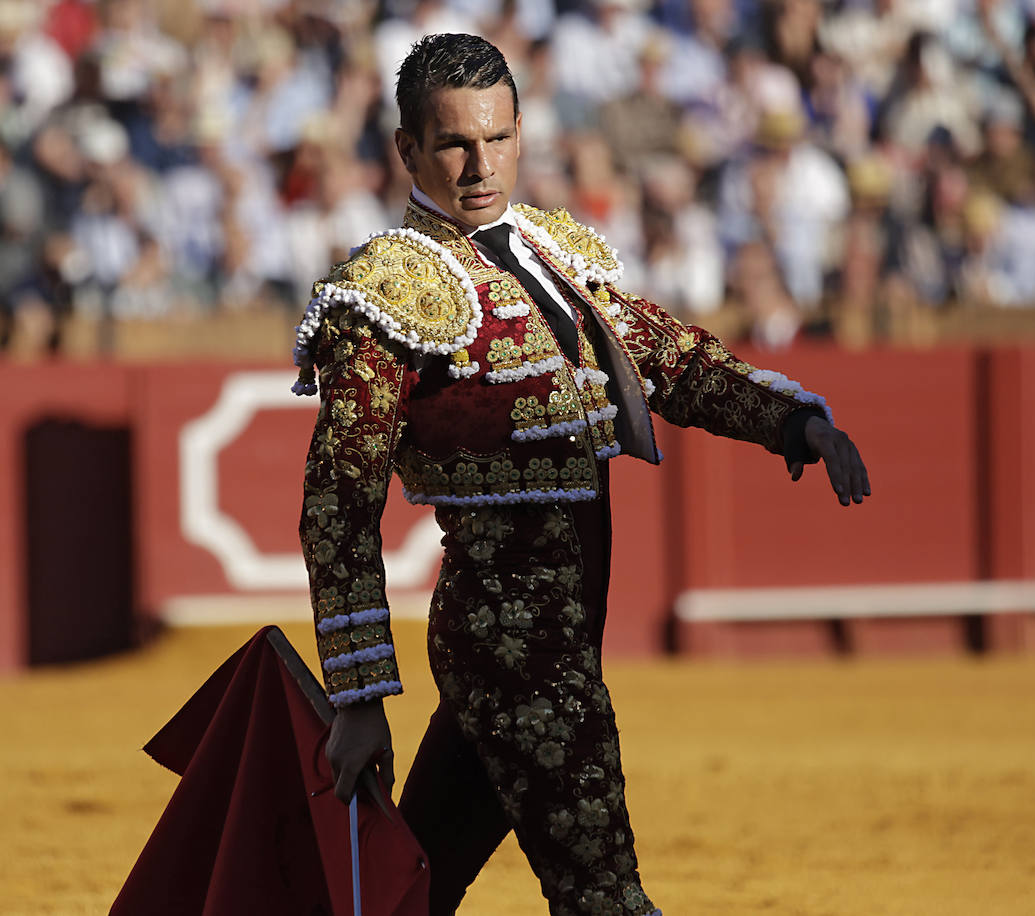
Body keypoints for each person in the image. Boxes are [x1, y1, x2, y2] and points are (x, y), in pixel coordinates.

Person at [295, 34, 870, 916]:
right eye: (454, 144)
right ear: (407, 149)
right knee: (603, 896)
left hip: (548, 638)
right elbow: (340, 502)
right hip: (515, 649)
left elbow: (669, 358)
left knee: (412, 890)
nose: (480, 166)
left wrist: (794, 421)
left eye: (497, 138)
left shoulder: (553, 252)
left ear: (521, 131)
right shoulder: (384, 293)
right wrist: (359, 696)